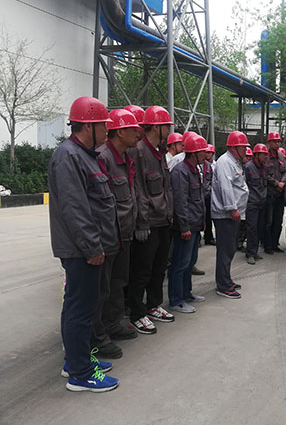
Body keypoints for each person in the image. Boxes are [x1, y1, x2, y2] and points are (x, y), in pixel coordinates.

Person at [48, 96, 119, 392]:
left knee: (79, 306)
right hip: (81, 250)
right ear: (88, 126)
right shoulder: (69, 157)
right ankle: (80, 373)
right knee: (80, 309)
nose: (107, 130)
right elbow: (75, 209)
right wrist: (92, 248)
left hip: (86, 247)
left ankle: (75, 360)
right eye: (104, 125)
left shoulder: (85, 154)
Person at [91, 109, 141, 360]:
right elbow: (100, 203)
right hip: (107, 235)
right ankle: (97, 337)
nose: (137, 134)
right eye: (133, 129)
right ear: (119, 132)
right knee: (102, 288)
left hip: (124, 232)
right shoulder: (103, 157)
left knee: (118, 282)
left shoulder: (126, 157)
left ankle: (112, 325)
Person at [129, 106, 175, 333]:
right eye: (167, 126)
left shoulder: (159, 152)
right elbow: (138, 189)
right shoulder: (138, 152)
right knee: (142, 270)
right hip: (149, 223)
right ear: (157, 127)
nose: (169, 130)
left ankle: (153, 305)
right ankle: (137, 313)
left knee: (159, 268)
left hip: (163, 220)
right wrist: (141, 222)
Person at [168, 134, 209, 313]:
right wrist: (184, 227)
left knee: (190, 261)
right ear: (194, 153)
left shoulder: (194, 170)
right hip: (186, 227)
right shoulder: (180, 172)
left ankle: (186, 293)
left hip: (195, 224)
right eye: (202, 152)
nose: (205, 155)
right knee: (180, 263)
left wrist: (202, 222)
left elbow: (198, 200)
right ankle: (176, 300)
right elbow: (180, 202)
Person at [211, 131, 250, 299]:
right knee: (225, 250)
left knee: (230, 248)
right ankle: (223, 285)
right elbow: (226, 187)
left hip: (232, 214)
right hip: (225, 215)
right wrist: (232, 208)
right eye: (243, 147)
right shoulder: (225, 162)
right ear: (234, 148)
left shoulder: (233, 162)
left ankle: (225, 279)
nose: (245, 150)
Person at [244, 143, 269, 265]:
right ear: (256, 155)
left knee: (259, 229)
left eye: (266, 155)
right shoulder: (248, 167)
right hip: (252, 204)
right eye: (263, 155)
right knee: (252, 229)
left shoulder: (264, 168)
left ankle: (254, 251)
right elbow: (243, 186)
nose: (265, 157)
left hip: (262, 203)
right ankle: (250, 253)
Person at [264, 132, 286, 254]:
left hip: (280, 194)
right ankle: (267, 245)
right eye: (275, 141)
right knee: (268, 221)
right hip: (270, 193)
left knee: (278, 221)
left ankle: (274, 244)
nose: (277, 143)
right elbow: (264, 174)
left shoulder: (281, 156)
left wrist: (282, 183)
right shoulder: (265, 156)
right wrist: (277, 184)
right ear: (269, 142)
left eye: (278, 141)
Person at [203, 144, 216, 246]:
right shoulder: (199, 164)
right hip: (199, 195)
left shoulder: (212, 165)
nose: (207, 154)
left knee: (208, 218)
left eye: (209, 152)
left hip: (208, 195)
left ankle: (209, 237)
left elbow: (212, 179)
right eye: (206, 152)